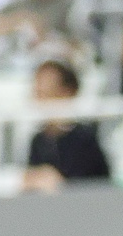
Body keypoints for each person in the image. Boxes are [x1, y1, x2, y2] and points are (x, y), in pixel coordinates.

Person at [21, 58, 111, 190]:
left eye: (47, 93)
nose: (40, 100)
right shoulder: (38, 141)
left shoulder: (84, 139)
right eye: (38, 93)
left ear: (67, 92)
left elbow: (93, 184)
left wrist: (58, 182)